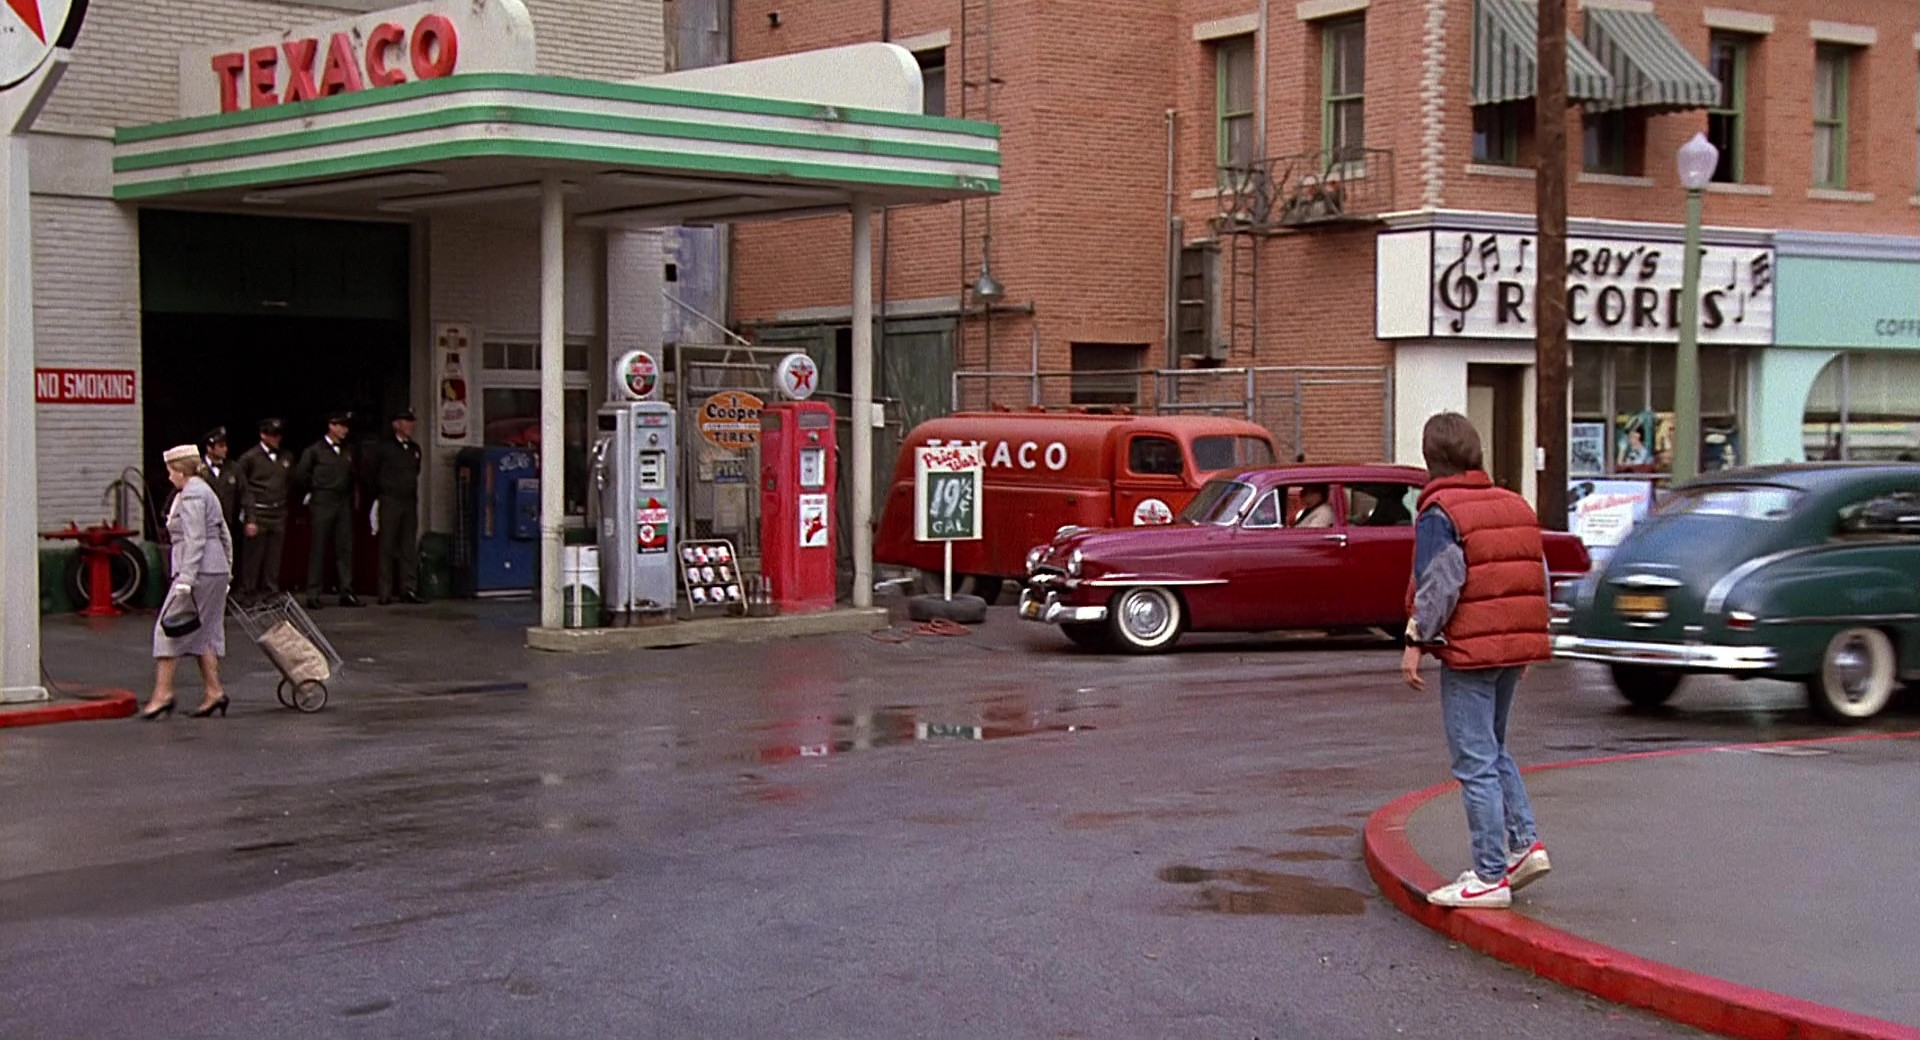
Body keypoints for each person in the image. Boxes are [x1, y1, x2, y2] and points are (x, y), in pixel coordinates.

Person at [1400, 412, 1553, 909]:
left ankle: (1489, 875)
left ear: (1431, 459)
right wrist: (1527, 641)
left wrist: (1416, 638)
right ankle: (1522, 844)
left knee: (1474, 761)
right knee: (1495, 749)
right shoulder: (1513, 503)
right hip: (1511, 646)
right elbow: (1535, 576)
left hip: (1470, 651)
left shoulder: (1440, 512)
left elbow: (1440, 583)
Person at [140, 445, 234, 720]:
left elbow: (196, 540)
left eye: (170, 470)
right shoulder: (205, 490)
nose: (169, 476)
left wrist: (186, 580)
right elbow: (224, 534)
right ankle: (214, 691)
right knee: (205, 632)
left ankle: (163, 694)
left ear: (180, 471)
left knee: (168, 629)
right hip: (214, 570)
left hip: (197, 571)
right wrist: (227, 570)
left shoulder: (192, 494)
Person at [295, 412, 363, 609]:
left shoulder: (348, 450)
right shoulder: (315, 451)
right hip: (323, 500)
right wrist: (312, 492)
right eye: (341, 426)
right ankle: (313, 593)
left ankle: (346, 591)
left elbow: (353, 475)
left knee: (345, 547)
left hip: (342, 501)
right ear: (331, 426)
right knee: (318, 547)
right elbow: (301, 476)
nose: (344, 430)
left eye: (346, 426)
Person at [365, 408, 425, 605]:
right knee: (387, 546)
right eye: (406, 421)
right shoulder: (384, 448)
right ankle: (385, 591)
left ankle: (409, 589)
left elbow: (416, 471)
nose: (410, 425)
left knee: (408, 546)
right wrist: (380, 494)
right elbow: (371, 473)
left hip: (409, 500)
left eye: (411, 421)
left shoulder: (415, 449)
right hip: (390, 499)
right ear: (396, 425)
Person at [234, 418, 292, 603]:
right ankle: (248, 592)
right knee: (253, 556)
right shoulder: (249, 458)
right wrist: (249, 516)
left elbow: (289, 482)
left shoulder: (286, 457)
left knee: (273, 557)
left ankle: (270, 591)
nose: (276, 439)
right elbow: (243, 488)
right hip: (258, 512)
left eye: (278, 435)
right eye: (272, 435)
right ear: (263, 435)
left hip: (278, 511)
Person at [201, 426, 241, 538]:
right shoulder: (197, 468)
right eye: (221, 446)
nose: (225, 449)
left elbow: (245, 493)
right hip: (204, 524)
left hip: (229, 525)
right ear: (209, 448)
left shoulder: (234, 468)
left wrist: (250, 518)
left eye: (225, 446)